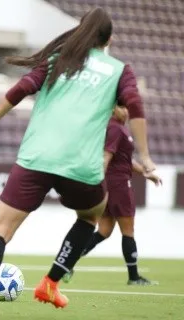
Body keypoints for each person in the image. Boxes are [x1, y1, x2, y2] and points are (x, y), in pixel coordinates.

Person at [0, 7, 156, 318]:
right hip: (81, 165)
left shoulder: (58, 58)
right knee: (91, 217)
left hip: (36, 157)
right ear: (109, 39)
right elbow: (135, 105)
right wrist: (146, 156)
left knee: (0, 228)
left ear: (80, 32)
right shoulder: (118, 69)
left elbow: (20, 89)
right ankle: (50, 282)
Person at [63, 107, 161, 285]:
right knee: (128, 231)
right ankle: (134, 277)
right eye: (122, 107)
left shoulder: (112, 128)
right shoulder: (115, 128)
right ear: (113, 108)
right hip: (119, 185)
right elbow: (106, 157)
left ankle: (68, 264)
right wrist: (95, 181)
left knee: (104, 231)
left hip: (110, 185)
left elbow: (124, 159)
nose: (126, 111)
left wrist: (144, 173)